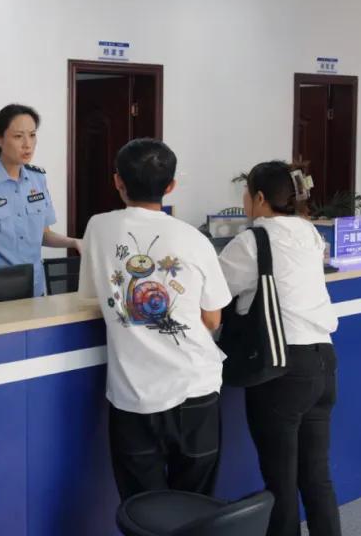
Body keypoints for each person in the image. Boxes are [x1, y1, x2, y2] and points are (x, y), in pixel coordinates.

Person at [78, 138, 232, 499]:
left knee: (141, 507)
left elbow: (92, 295)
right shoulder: (194, 239)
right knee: (195, 506)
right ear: (171, 186)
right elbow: (213, 319)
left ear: (117, 181)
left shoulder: (98, 228)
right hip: (195, 391)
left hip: (134, 399)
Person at [218, 161, 341, 536]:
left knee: (281, 481)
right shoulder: (311, 233)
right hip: (323, 363)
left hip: (281, 368)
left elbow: (214, 291)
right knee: (316, 477)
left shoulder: (251, 242)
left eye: (246, 193)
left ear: (259, 197)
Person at [0, 104, 79, 297]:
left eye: (32, 135)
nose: (27, 144)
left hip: (35, 290)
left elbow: (44, 235)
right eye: (18, 136)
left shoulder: (38, 179)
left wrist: (74, 242)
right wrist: (2, 290)